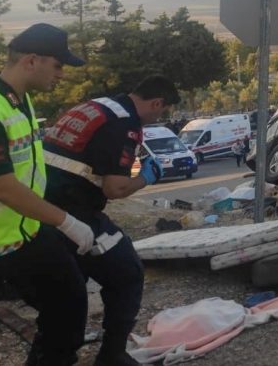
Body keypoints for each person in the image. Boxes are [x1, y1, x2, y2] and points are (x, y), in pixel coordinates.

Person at [44, 75, 180, 365]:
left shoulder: (95, 106)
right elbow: (114, 188)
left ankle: (56, 354)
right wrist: (146, 178)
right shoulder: (124, 124)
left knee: (68, 290)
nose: (158, 118)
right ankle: (112, 356)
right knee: (127, 273)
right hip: (73, 211)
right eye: (163, 111)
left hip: (42, 205)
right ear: (157, 103)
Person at [0, 23, 97, 365]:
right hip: (1, 242)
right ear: (31, 60)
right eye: (57, 65)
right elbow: (2, 185)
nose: (62, 75)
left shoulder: (19, 100)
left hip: (24, 232)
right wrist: (66, 221)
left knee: (68, 306)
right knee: (64, 307)